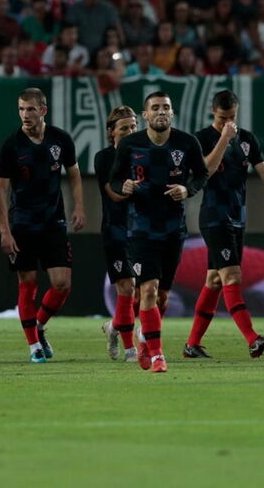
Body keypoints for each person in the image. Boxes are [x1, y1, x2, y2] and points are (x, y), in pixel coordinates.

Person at [184, 91, 264, 359]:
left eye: (231, 117)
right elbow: (204, 171)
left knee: (214, 281)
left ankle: (192, 345)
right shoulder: (202, 138)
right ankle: (253, 339)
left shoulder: (247, 139)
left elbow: (263, 169)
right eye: (222, 118)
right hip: (214, 216)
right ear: (212, 113)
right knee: (232, 277)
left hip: (237, 217)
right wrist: (223, 139)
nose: (227, 122)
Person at [109, 91, 208, 373]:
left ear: (172, 113)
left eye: (166, 107)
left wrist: (187, 189)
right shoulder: (130, 144)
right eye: (155, 108)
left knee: (162, 296)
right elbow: (115, 178)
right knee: (148, 289)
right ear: (146, 115)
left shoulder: (187, 143)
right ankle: (157, 355)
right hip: (140, 229)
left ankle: (144, 341)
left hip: (173, 230)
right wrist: (123, 186)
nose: (161, 112)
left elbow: (201, 174)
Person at [0, 88, 85, 363]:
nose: (25, 115)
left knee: (62, 284)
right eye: (21, 109)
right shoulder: (11, 145)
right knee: (28, 282)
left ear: (43, 111)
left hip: (54, 222)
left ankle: (39, 325)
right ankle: (34, 346)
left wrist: (79, 206)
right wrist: (4, 230)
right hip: (22, 223)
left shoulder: (61, 139)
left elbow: (75, 175)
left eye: (30, 109)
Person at [96, 106, 140, 362]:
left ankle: (113, 327)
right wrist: (128, 189)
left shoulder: (145, 154)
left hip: (142, 230)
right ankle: (130, 348)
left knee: (144, 292)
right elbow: (112, 193)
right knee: (127, 286)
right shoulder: (104, 158)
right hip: (115, 229)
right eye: (125, 128)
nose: (131, 131)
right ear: (112, 132)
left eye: (134, 127)